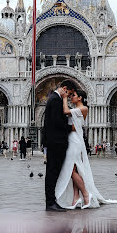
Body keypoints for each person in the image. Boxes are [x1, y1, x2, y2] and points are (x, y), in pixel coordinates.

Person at [56, 89, 117, 209]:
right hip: (72, 139)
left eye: (74, 95)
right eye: (71, 96)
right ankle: (76, 198)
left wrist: (64, 98)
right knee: (75, 169)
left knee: (71, 169)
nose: (71, 97)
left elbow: (66, 111)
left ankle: (86, 195)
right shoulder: (76, 109)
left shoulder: (83, 108)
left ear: (80, 98)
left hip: (75, 141)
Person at [42, 80, 76, 212]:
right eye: (70, 93)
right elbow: (57, 123)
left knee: (52, 172)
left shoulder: (53, 98)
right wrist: (71, 128)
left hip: (53, 141)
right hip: (56, 142)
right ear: (65, 88)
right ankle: (50, 203)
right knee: (52, 173)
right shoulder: (56, 100)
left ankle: (51, 201)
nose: (69, 96)